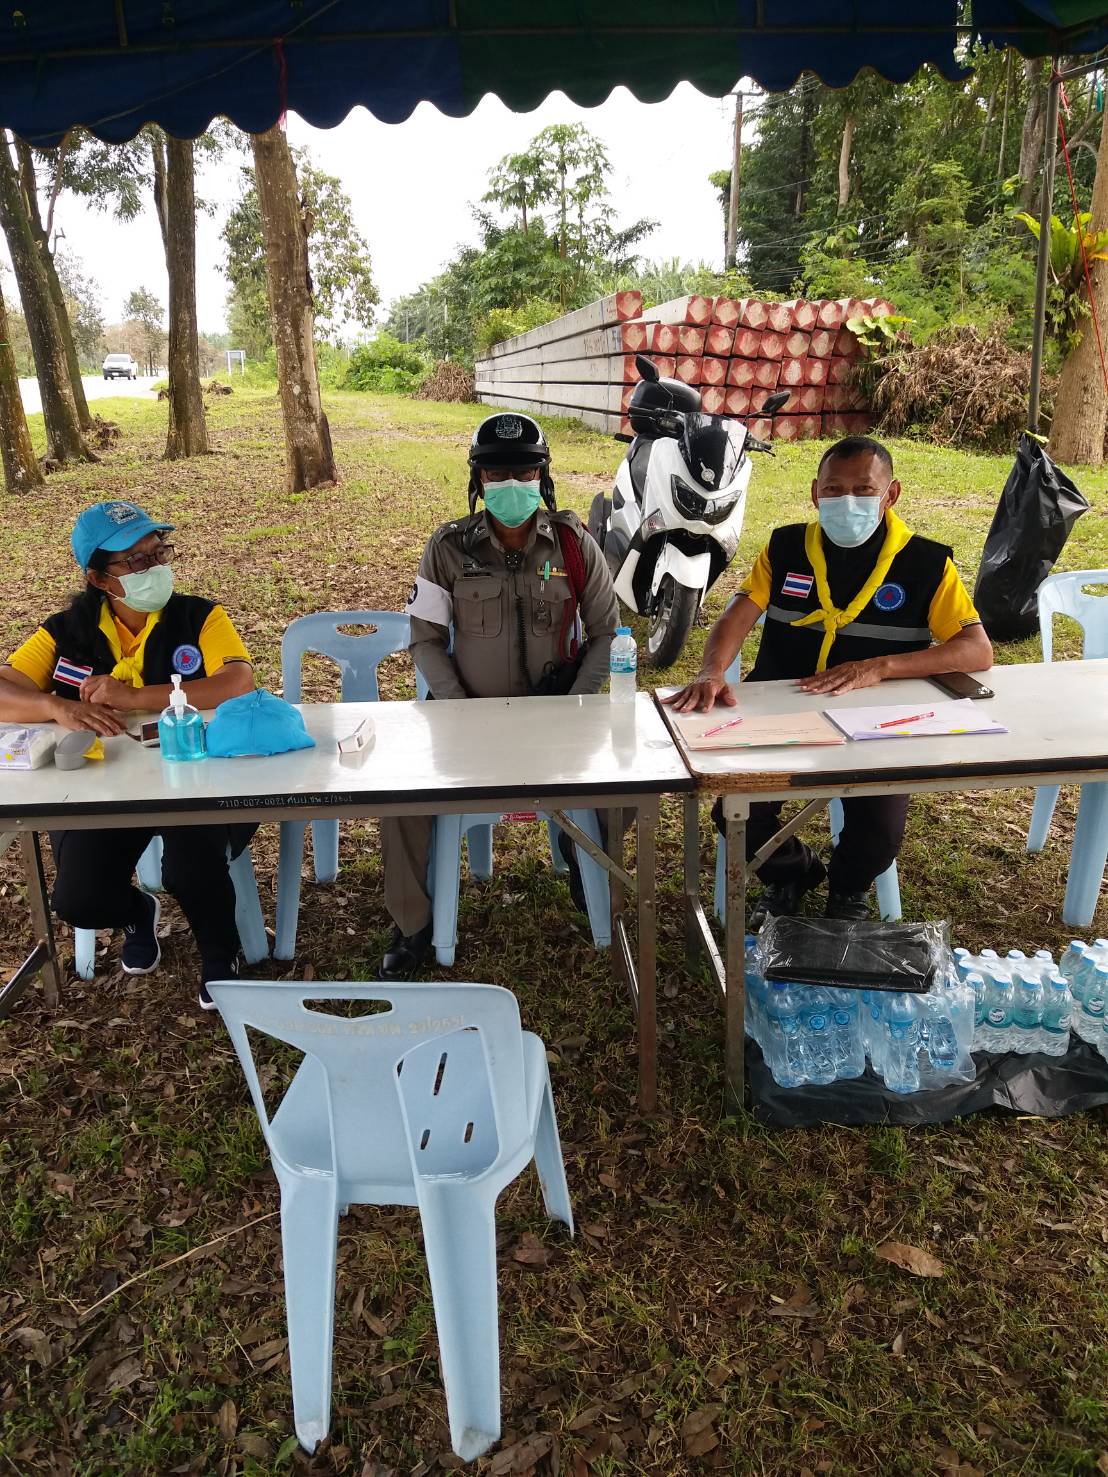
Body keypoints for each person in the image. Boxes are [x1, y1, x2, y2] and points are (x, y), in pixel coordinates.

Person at [666, 435, 993, 924]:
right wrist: (711, 669)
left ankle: (848, 890)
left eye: (864, 489)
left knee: (879, 828)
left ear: (891, 494)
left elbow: (976, 650)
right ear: (816, 494)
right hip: (783, 707)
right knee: (736, 810)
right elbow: (737, 614)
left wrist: (878, 667)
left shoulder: (926, 563)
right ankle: (791, 873)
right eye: (834, 489)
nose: (847, 501)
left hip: (878, 718)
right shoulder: (785, 547)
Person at [379, 411, 620, 977]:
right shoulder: (447, 548)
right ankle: (413, 923)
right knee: (399, 796)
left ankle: (584, 857)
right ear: (478, 479)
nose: (511, 484)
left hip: (556, 720)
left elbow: (607, 634)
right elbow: (425, 639)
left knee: (625, 780)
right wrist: (458, 709)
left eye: (524, 472)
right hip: (464, 720)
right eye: (496, 473)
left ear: (542, 476)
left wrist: (576, 706)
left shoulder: (574, 545)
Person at [0, 499, 256, 1008]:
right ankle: (138, 912)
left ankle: (219, 953)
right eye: (135, 561)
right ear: (98, 579)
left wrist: (137, 697)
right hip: (105, 787)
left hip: (195, 775)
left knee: (191, 868)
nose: (154, 567)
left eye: (158, 552)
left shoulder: (198, 616)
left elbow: (237, 682)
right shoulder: (65, 631)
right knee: (80, 899)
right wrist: (55, 706)